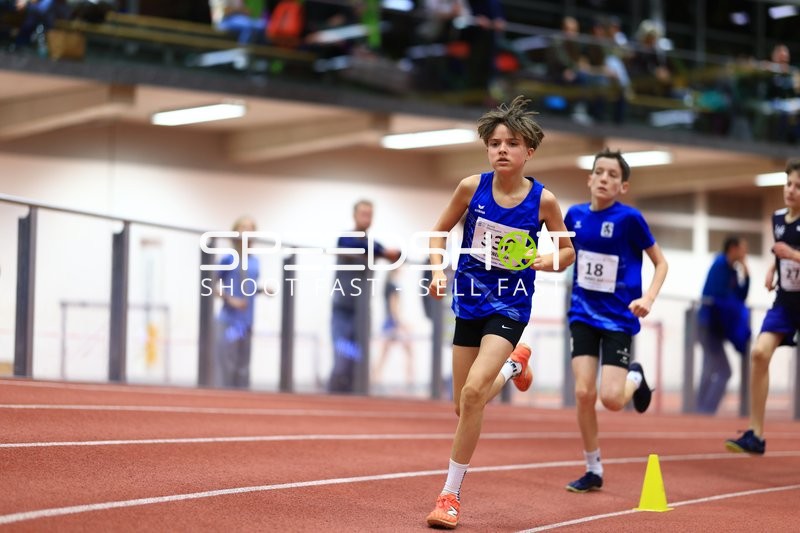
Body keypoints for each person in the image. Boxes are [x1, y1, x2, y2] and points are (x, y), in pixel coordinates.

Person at [424, 95, 575, 529]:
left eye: (511, 143)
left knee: (474, 394)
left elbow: (567, 250)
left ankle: (449, 496)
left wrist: (547, 260)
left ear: (529, 151)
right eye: (494, 143)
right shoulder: (471, 188)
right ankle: (513, 368)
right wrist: (438, 269)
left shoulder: (544, 201)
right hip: (469, 298)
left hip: (510, 303)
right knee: (462, 406)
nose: (502, 150)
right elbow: (437, 232)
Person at [563, 148, 668, 493]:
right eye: (600, 172)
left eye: (613, 175)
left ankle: (634, 376)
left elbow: (661, 263)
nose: (605, 179)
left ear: (623, 186)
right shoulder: (574, 216)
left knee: (610, 400)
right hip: (581, 313)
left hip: (618, 319)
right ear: (589, 178)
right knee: (582, 392)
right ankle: (593, 468)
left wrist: (648, 298)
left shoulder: (630, 219)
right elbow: (564, 255)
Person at [726, 160, 800, 455]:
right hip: (785, 302)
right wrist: (773, 268)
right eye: (789, 184)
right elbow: (782, 250)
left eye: (798, 187)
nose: (791, 191)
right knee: (759, 353)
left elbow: (791, 251)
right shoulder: (778, 218)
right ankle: (755, 434)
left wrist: (792, 256)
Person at [328, 199, 401, 394]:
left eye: (369, 214)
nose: (366, 217)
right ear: (354, 215)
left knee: (359, 361)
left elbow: (396, 254)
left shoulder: (374, 244)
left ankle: (353, 403)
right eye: (363, 213)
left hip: (362, 309)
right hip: (343, 307)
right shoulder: (345, 239)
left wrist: (388, 252)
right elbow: (361, 248)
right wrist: (383, 252)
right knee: (342, 359)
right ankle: (334, 397)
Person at [695, 235, 750, 415]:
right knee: (722, 370)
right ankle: (704, 410)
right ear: (733, 249)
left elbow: (740, 296)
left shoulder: (732, 271)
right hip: (707, 325)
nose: (745, 253)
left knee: (711, 369)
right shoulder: (719, 266)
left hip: (715, 328)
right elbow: (721, 296)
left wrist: (746, 272)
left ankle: (700, 410)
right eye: (742, 249)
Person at [213, 215, 264, 389]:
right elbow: (212, 285)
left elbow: (249, 288)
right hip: (229, 320)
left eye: (250, 228)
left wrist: (262, 290)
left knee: (243, 367)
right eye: (243, 227)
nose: (247, 231)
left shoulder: (255, 261)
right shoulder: (228, 259)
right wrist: (230, 299)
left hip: (247, 321)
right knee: (227, 365)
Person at [371, 267, 415, 391]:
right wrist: (402, 324)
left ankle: (374, 380)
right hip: (392, 324)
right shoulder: (393, 286)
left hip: (390, 323)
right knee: (408, 351)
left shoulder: (388, 285)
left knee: (383, 355)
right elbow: (393, 308)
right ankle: (410, 382)